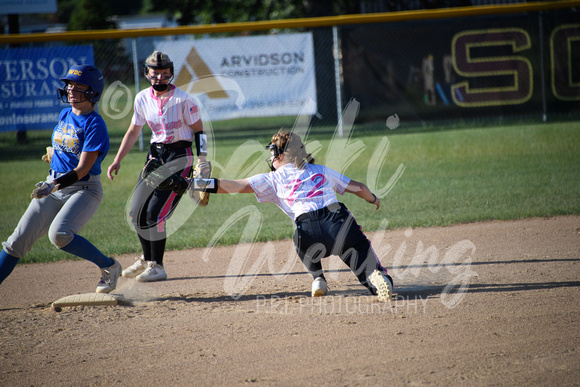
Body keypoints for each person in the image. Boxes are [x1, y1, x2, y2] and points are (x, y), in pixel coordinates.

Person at [188, 130, 393, 301]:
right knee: (362, 258)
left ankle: (318, 278)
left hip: (308, 231)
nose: (270, 158)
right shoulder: (320, 170)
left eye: (271, 152)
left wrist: (193, 184)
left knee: (298, 238)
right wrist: (373, 199)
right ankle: (376, 279)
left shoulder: (273, 179)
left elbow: (233, 186)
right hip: (339, 223)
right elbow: (358, 187)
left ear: (279, 155)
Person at [0, 64, 121, 293]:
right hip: (54, 185)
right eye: (69, 85)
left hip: (84, 189)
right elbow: (68, 148)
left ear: (93, 91)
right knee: (16, 241)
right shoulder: (65, 114)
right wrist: (55, 155)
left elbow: (84, 168)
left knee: (59, 235)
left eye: (78, 85)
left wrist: (53, 184)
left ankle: (109, 266)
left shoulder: (95, 124)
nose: (71, 89)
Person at [107, 51, 208, 282]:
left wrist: (201, 161)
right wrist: (118, 159)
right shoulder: (142, 98)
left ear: (171, 73)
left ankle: (157, 265)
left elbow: (199, 131)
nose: (160, 77)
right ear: (147, 73)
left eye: (165, 73)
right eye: (155, 72)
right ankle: (146, 257)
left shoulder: (183, 99)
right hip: (155, 158)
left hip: (179, 156)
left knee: (155, 213)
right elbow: (134, 130)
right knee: (136, 212)